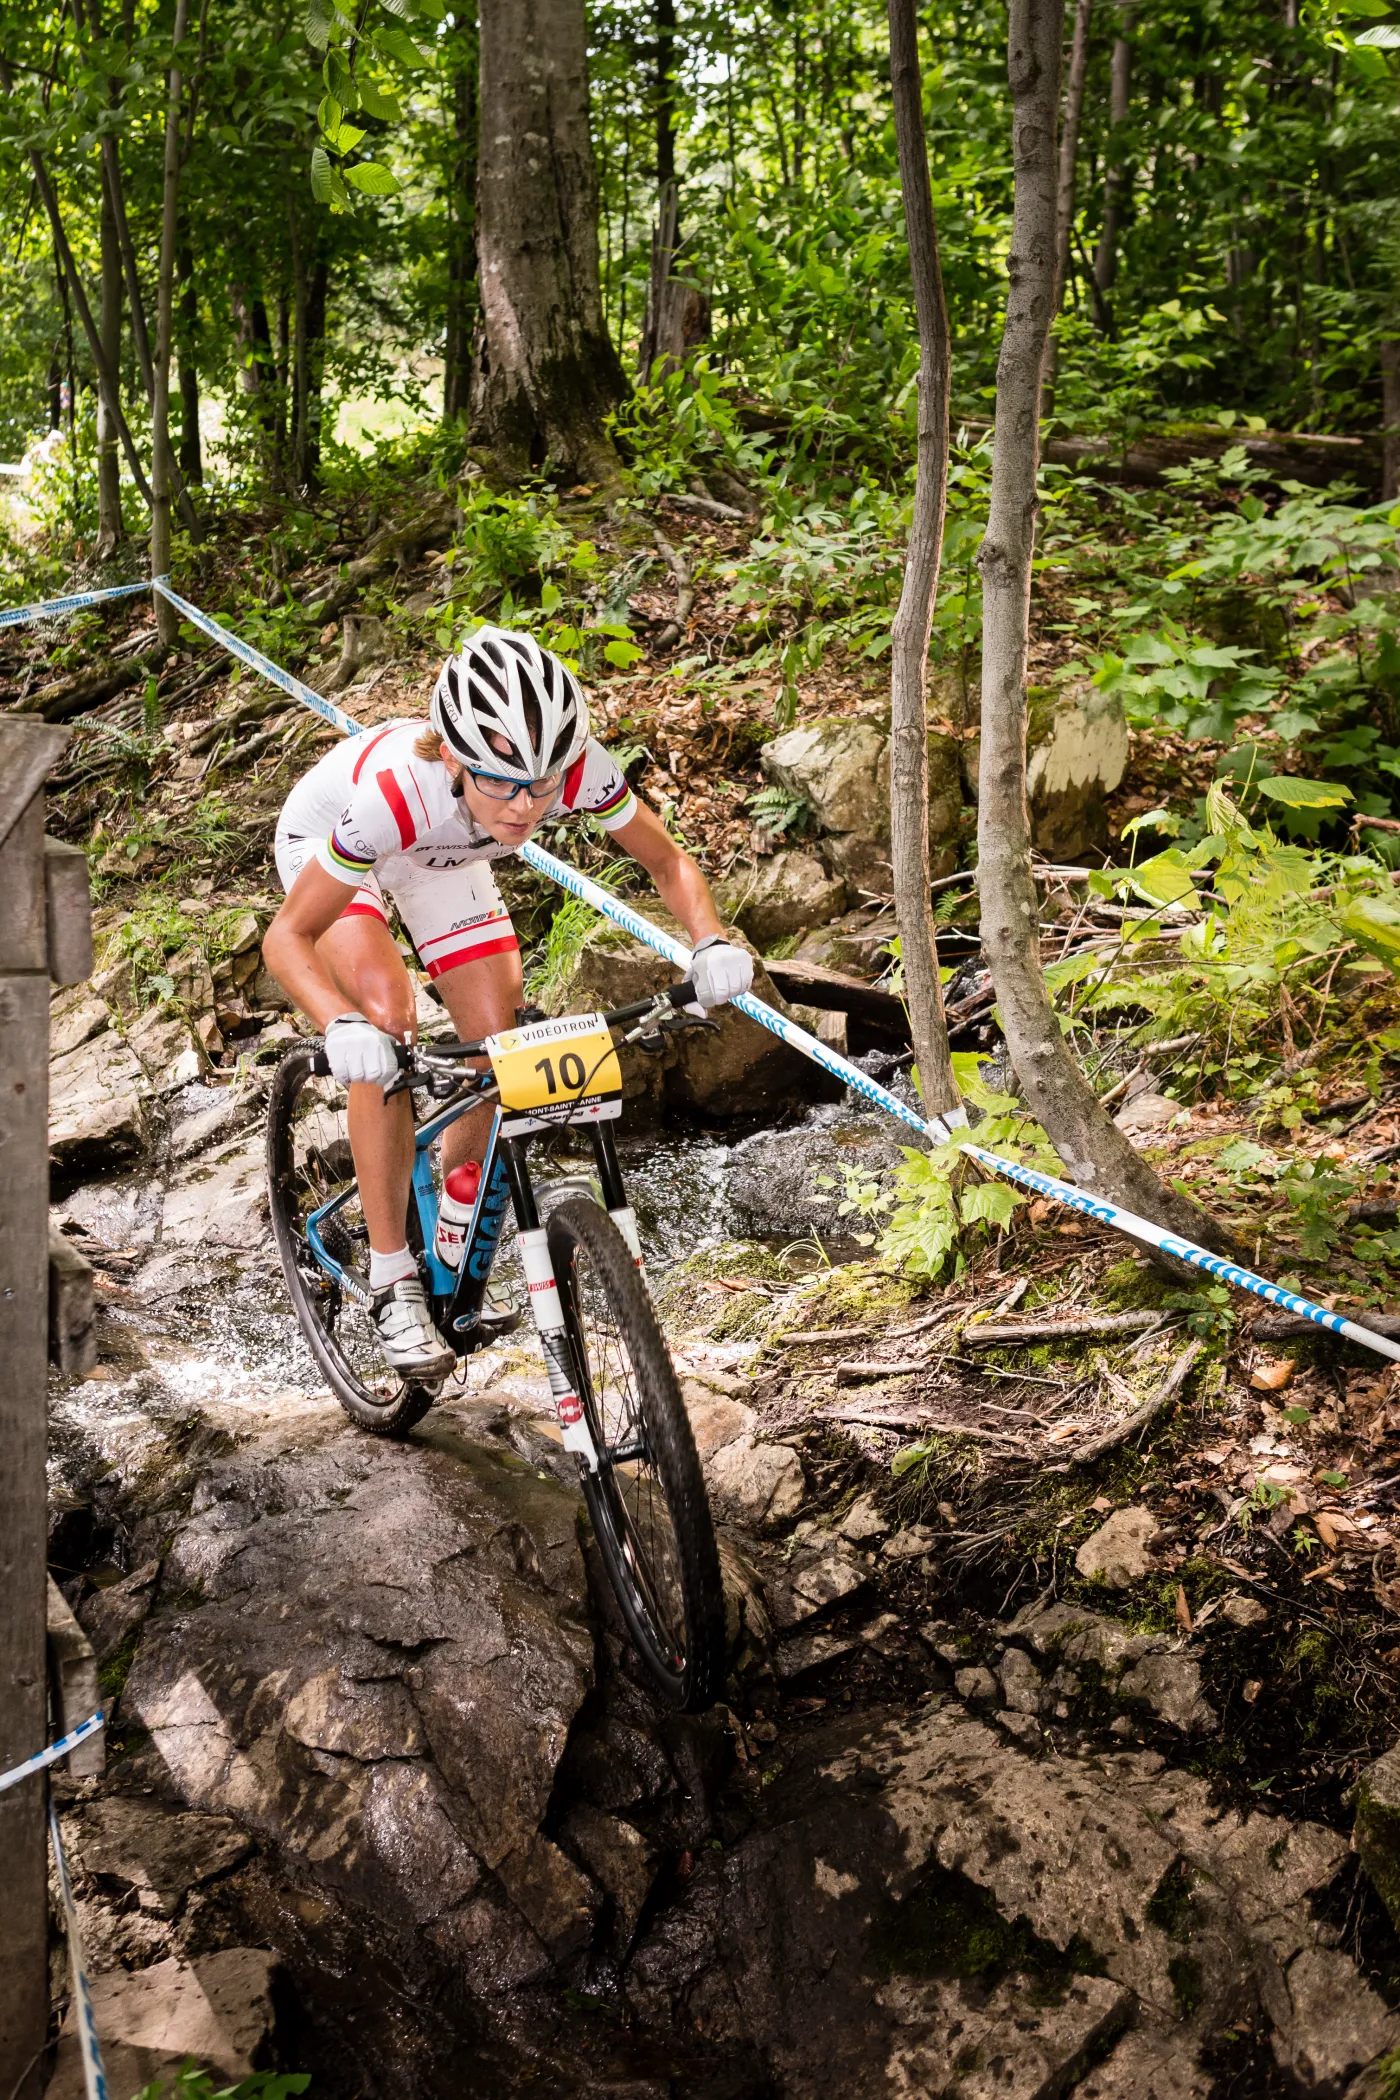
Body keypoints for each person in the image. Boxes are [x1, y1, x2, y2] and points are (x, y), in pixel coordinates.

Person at [262, 625, 754, 1381]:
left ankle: (454, 1248)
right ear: (455, 756)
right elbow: (287, 936)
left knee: (497, 1047)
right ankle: (393, 1280)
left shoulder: (579, 770)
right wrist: (340, 1024)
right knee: (387, 1019)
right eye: (501, 781)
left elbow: (667, 860)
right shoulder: (400, 791)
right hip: (341, 845)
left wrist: (711, 941)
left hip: (445, 855)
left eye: (544, 783)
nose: (526, 807)